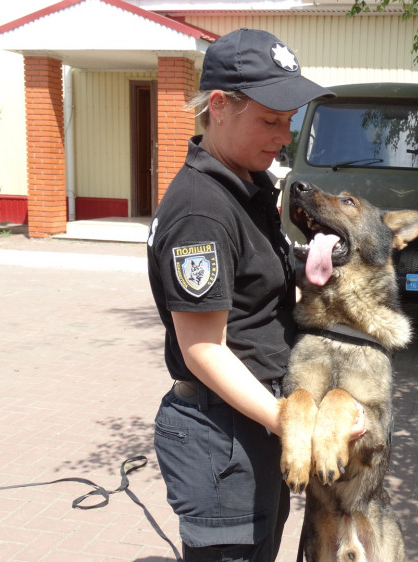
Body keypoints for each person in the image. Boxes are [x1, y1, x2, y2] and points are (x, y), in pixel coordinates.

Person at [146, 28, 335, 560]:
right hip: (223, 434)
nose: (284, 135)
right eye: (271, 121)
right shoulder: (202, 210)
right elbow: (203, 349)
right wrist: (291, 422)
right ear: (221, 106)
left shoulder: (246, 185)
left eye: (289, 121)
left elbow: (257, 305)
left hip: (252, 421)